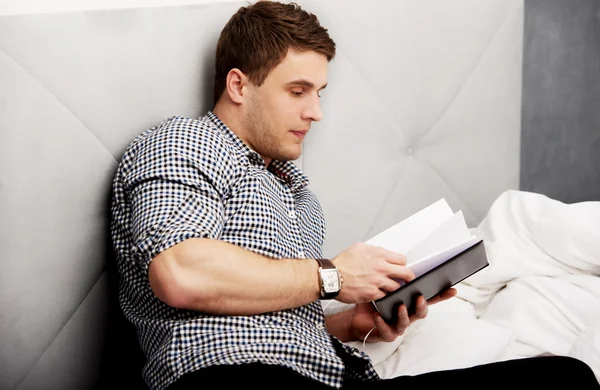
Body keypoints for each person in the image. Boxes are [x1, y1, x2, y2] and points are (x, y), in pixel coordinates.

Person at [109, 1, 600, 389]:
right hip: (231, 377)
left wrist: (350, 323)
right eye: (298, 91)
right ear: (239, 85)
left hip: (334, 374)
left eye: (320, 92)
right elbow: (180, 274)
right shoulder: (184, 143)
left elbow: (267, 318)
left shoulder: (295, 192)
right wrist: (334, 276)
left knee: (570, 373)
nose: (316, 112)